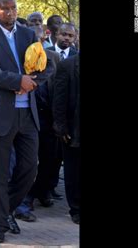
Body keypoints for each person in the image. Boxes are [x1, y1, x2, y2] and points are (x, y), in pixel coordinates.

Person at [0, 0, 52, 243]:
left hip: (26, 114)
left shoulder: (28, 34)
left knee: (29, 168)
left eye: (13, 8)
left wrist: (31, 83)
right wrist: (17, 81)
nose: (10, 13)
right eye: (4, 9)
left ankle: (6, 210)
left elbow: (46, 66)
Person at [52, 53, 80, 225]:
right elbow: (59, 99)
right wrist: (61, 127)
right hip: (73, 128)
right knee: (74, 171)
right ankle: (76, 209)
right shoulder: (67, 66)